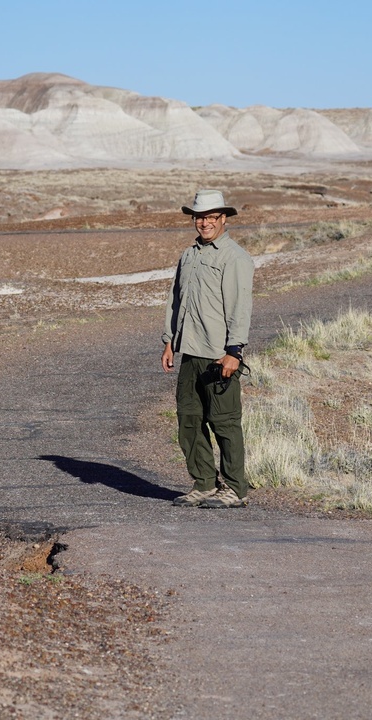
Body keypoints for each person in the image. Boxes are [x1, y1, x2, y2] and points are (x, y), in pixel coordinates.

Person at [161, 190, 254, 509]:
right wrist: (169, 341)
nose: (205, 223)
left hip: (219, 354)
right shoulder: (189, 256)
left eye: (211, 217)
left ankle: (236, 488)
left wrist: (235, 350)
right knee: (189, 419)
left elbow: (240, 307)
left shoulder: (234, 257)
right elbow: (177, 301)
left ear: (223, 219)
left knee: (225, 422)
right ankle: (204, 483)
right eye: (200, 217)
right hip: (189, 350)